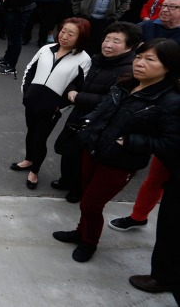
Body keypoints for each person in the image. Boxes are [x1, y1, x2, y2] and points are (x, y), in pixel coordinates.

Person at [53, 38, 180, 263]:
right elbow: (102, 110)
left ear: (168, 65)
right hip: (93, 150)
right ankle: (81, 231)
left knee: (91, 203)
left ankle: (89, 242)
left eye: (149, 59)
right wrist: (87, 129)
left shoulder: (170, 101)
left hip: (120, 162)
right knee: (87, 199)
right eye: (139, 57)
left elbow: (171, 143)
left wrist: (131, 141)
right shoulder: (124, 84)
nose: (139, 63)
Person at [51, 22, 141, 203]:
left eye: (116, 41)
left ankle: (78, 189)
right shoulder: (96, 59)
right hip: (78, 114)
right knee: (68, 150)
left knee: (82, 157)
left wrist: (78, 97)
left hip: (97, 122)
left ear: (129, 47)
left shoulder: (128, 71)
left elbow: (111, 101)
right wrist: (71, 89)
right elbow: (76, 78)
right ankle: (65, 180)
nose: (108, 44)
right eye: (107, 39)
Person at [10, 18, 91, 189]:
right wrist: (26, 93)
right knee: (31, 132)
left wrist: (60, 108)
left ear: (81, 37)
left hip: (52, 109)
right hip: (32, 101)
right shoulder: (46, 49)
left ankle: (35, 170)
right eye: (63, 31)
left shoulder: (84, 59)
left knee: (40, 138)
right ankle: (28, 160)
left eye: (71, 34)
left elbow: (79, 88)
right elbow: (29, 70)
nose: (64, 36)